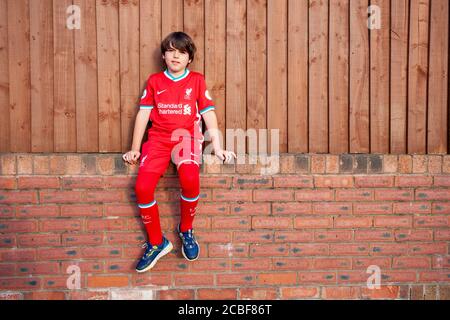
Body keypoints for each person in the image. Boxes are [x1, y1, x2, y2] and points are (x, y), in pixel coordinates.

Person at [122, 31, 236, 273]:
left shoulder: (196, 80)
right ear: (164, 55)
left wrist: (218, 147)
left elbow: (208, 115)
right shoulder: (154, 81)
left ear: (189, 59)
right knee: (141, 187)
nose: (176, 56)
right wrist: (134, 149)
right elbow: (143, 114)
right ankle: (156, 242)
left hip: (187, 138)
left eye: (182, 52)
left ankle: (186, 229)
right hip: (158, 140)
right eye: (171, 51)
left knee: (190, 178)